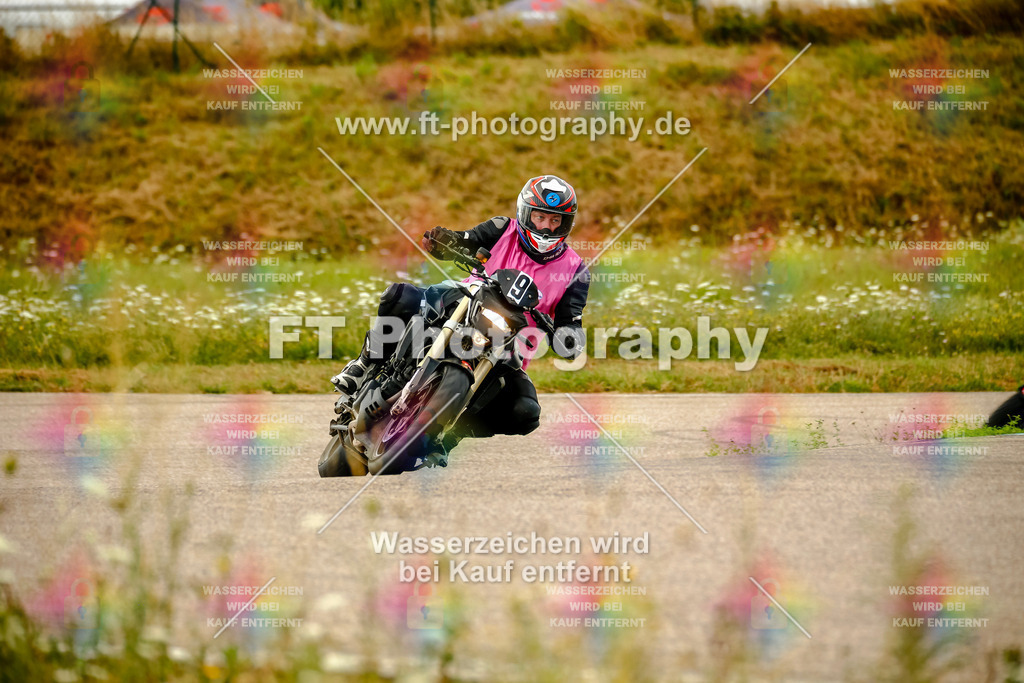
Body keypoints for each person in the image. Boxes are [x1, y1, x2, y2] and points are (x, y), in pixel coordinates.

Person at [331, 174, 590, 451]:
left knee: (525, 412)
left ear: (567, 223)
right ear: (526, 213)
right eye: (540, 217)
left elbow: (570, 320)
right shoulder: (503, 228)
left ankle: (452, 435)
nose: (547, 228)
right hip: (465, 304)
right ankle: (364, 364)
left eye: (555, 220)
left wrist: (569, 339)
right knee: (400, 295)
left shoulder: (576, 271)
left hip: (507, 347)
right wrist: (446, 240)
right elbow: (467, 240)